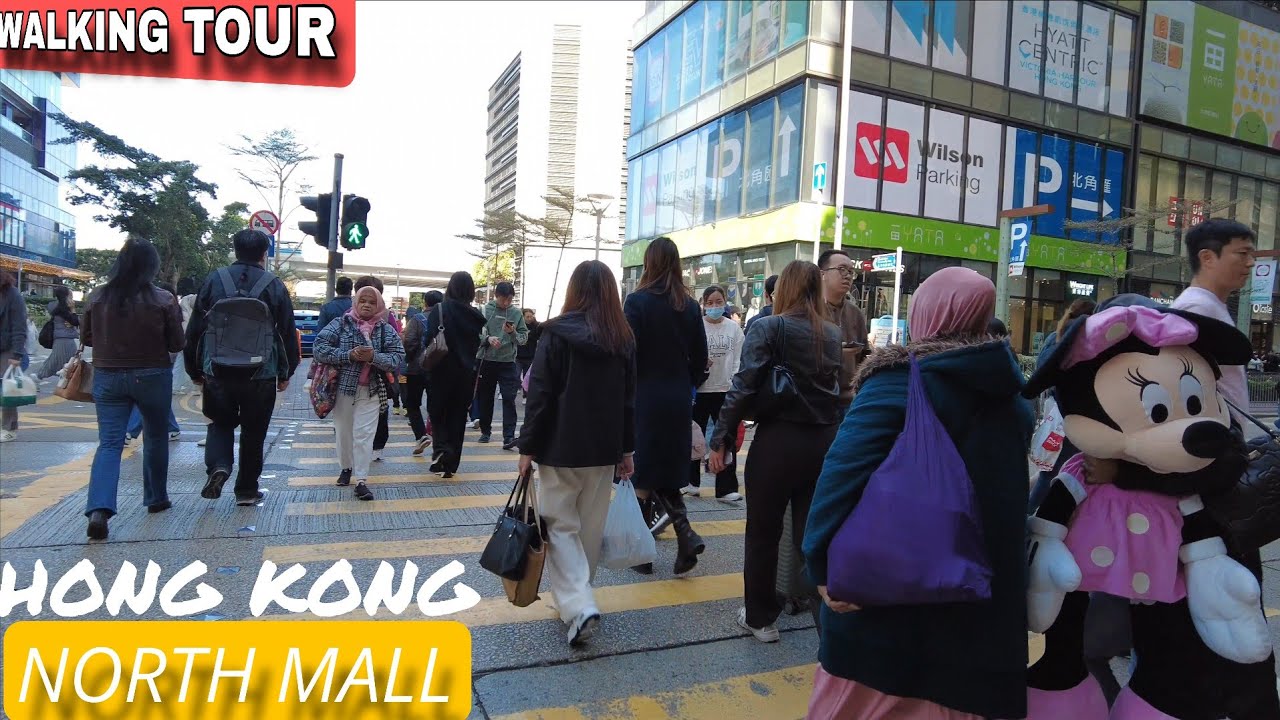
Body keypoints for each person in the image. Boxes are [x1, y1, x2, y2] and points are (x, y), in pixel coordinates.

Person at [802, 266, 1032, 719]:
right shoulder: (1010, 396)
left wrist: (820, 560)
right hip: (979, 619)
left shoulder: (899, 380)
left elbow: (841, 473)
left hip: (888, 609)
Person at [1169, 218, 1279, 719]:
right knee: (1235, 588)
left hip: (1217, 461)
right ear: (1207, 257)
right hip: (1214, 466)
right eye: (1242, 253)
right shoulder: (1196, 311)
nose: (1249, 263)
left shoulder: (1208, 307)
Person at [708, 260, 842, 643]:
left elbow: (744, 385)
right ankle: (828, 624)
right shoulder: (831, 333)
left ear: (782, 288)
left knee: (763, 532)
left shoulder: (768, 326)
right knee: (811, 536)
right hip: (822, 442)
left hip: (778, 442)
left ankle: (761, 618)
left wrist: (720, 438)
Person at [516, 260, 636, 646]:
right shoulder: (623, 338)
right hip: (603, 450)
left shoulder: (555, 333)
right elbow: (629, 401)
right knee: (588, 526)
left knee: (560, 526)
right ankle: (576, 598)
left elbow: (541, 395)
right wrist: (627, 448)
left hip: (559, 446)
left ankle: (580, 602)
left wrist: (527, 447)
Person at [185, 229, 299, 507]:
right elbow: (286, 332)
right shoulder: (273, 284)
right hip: (261, 373)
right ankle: (247, 490)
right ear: (264, 254)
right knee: (254, 432)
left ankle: (219, 467)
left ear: (235, 250)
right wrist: (287, 372)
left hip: (218, 371)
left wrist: (194, 369)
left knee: (219, 423)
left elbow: (196, 330)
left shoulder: (215, 280)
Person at [81, 238, 185, 540]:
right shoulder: (164, 299)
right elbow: (177, 343)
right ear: (151, 266)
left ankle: (99, 509)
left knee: (110, 443)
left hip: (108, 376)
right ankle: (156, 498)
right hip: (153, 374)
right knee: (154, 436)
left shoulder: (97, 296)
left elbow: (87, 337)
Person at [623, 237, 708, 575]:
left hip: (645, 395)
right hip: (677, 397)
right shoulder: (688, 305)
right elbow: (701, 358)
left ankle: (644, 555)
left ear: (649, 263)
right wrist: (684, 383)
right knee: (664, 470)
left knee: (644, 469)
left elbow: (627, 352)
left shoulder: (638, 301)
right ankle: (685, 538)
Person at [313, 285, 404, 501]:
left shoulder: (385, 330)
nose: (366, 305)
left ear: (379, 305)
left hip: (371, 391)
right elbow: (319, 347)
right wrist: (349, 355)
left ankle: (361, 480)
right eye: (363, 300)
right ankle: (346, 468)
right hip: (343, 389)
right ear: (355, 302)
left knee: (364, 435)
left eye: (372, 302)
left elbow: (398, 356)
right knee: (344, 432)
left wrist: (374, 357)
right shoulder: (341, 323)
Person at [424, 272, 486, 478]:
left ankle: (441, 450)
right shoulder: (476, 316)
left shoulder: (440, 310)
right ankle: (450, 464)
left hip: (440, 371)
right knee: (458, 417)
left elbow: (428, 339)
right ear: (470, 290)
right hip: (465, 374)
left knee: (437, 412)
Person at [687, 285, 744, 501]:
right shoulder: (696, 327)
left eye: (719, 302)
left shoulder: (734, 329)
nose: (714, 307)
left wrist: (734, 382)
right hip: (700, 390)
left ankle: (726, 488)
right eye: (709, 303)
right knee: (694, 436)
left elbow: (740, 358)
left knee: (726, 438)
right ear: (703, 304)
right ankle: (691, 481)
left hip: (725, 390)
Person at [125, 281, 181, 445]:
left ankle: (131, 430)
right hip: (160, 358)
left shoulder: (157, 306)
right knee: (159, 397)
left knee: (144, 398)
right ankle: (172, 427)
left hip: (155, 360)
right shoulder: (169, 306)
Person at [353, 276, 401, 461]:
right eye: (363, 297)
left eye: (373, 297)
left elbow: (396, 350)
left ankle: (377, 445)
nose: (367, 303)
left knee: (380, 410)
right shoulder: (346, 316)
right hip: (351, 376)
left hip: (379, 374)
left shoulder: (387, 318)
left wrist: (383, 363)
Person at [476, 281, 528, 449]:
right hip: (486, 360)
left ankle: (509, 436)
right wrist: (487, 339)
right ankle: (485, 431)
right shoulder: (484, 310)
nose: (506, 303)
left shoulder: (516, 313)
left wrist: (512, 333)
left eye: (509, 300)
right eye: (503, 299)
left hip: (508, 362)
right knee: (485, 397)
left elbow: (523, 338)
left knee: (508, 398)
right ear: (496, 296)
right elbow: (474, 332)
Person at [817, 249, 870, 412]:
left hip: (849, 402)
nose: (847, 275)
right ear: (822, 274)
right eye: (841, 269)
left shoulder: (856, 314)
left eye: (851, 271)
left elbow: (864, 358)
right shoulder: (809, 310)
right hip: (815, 400)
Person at [402, 290, 442, 455]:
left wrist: (410, 359)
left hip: (416, 369)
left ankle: (421, 435)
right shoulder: (446, 320)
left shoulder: (417, 319)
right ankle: (438, 441)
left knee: (412, 404)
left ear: (425, 303)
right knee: (436, 405)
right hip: (439, 369)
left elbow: (409, 342)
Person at [0, 271, 28, 443]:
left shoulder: (12, 294)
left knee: (7, 388)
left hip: (7, 347)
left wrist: (17, 353)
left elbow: (19, 325)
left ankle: (9, 427)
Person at [35, 285, 80, 382]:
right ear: (66, 296)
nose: (71, 297)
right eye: (70, 294)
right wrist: (73, 310)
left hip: (64, 338)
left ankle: (65, 381)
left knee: (68, 361)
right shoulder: (63, 309)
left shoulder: (59, 307)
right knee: (55, 361)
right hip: (63, 339)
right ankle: (38, 377)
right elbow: (75, 321)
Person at [516, 307, 542, 395]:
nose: (529, 318)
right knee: (516, 374)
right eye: (527, 317)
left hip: (530, 355)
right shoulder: (518, 326)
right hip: (518, 356)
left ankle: (525, 395)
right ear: (523, 317)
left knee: (527, 377)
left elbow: (539, 337)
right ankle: (518, 386)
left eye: (531, 316)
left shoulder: (537, 326)